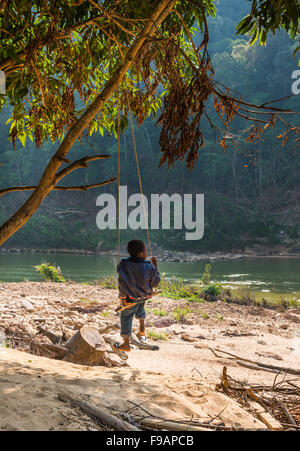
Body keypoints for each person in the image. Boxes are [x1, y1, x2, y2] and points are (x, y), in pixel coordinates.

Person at [114, 239, 160, 356]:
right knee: (140, 306)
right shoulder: (149, 266)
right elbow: (155, 283)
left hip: (130, 298)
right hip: (144, 295)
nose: (146, 253)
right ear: (140, 253)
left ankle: (126, 343)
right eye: (145, 251)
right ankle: (142, 329)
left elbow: (121, 280)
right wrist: (155, 267)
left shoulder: (124, 264)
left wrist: (123, 299)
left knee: (126, 316)